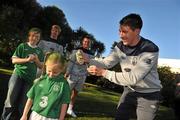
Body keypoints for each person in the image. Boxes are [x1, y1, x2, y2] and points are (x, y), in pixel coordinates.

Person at [87, 13, 162, 120]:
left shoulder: (150, 49)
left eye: (125, 32)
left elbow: (133, 78)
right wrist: (88, 60)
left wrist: (103, 72)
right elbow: (106, 63)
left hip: (149, 95)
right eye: (120, 31)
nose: (121, 35)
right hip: (129, 91)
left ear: (137, 31)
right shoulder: (120, 47)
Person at [1, 28, 44, 120]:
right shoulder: (22, 46)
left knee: (24, 102)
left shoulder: (40, 51)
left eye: (37, 37)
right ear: (29, 36)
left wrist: (36, 60)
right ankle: (5, 118)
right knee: (11, 99)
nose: (35, 38)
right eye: (33, 36)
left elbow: (41, 66)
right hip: (18, 75)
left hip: (30, 78)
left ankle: (20, 118)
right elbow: (14, 60)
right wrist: (27, 60)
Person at [20, 52, 70, 120]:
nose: (51, 74)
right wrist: (24, 115)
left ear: (61, 70)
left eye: (55, 72)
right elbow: (30, 98)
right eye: (49, 71)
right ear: (46, 65)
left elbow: (64, 104)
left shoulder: (64, 84)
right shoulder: (40, 81)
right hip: (36, 115)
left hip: (52, 117)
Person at [65, 35, 94, 117]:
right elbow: (71, 62)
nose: (86, 43)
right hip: (73, 75)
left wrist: (87, 73)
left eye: (88, 42)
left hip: (82, 77)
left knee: (75, 93)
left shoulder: (91, 54)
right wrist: (67, 72)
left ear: (90, 43)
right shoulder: (76, 50)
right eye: (85, 41)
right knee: (66, 92)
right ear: (82, 42)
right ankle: (60, 107)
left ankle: (69, 109)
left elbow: (90, 65)